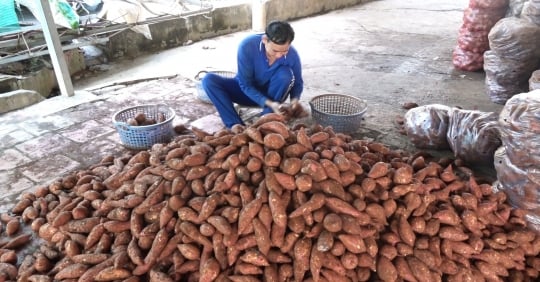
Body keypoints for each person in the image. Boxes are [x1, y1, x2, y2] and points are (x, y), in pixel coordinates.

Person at [202, 20, 304, 128]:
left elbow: (297, 83)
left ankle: (266, 121)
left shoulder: (292, 55)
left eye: (284, 51)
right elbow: (245, 84)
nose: (279, 55)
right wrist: (267, 102)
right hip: (245, 92)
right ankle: (235, 125)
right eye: (275, 51)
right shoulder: (247, 46)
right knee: (209, 80)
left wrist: (294, 101)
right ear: (265, 40)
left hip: (273, 99)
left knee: (285, 74)